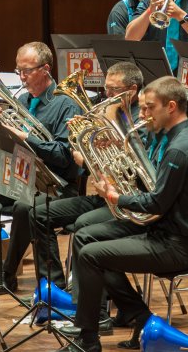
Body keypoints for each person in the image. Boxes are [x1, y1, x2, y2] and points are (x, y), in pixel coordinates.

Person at [45, 76, 188, 352]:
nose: (142, 114)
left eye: (149, 108)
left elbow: (157, 201)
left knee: (91, 255)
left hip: (175, 244)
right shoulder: (170, 137)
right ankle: (140, 318)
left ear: (171, 107)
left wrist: (115, 197)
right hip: (159, 228)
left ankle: (89, 339)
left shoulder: (180, 148)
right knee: (86, 237)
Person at [27, 61, 146, 292]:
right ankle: (54, 286)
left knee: (83, 226)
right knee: (38, 214)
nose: (107, 95)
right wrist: (80, 135)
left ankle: (85, 295)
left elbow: (127, 171)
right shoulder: (108, 113)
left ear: (132, 90)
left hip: (128, 201)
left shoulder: (137, 122)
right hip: (105, 197)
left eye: (114, 90)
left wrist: (87, 160)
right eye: (106, 89)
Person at [0, 42, 81, 296]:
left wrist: (27, 138)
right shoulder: (24, 100)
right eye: (18, 71)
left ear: (46, 69)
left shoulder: (66, 105)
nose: (21, 77)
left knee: (25, 207)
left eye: (26, 71)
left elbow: (64, 157)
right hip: (25, 178)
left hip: (57, 185)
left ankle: (15, 275)